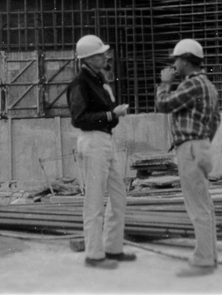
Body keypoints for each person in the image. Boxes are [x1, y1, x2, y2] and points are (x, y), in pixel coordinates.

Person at [67, 34, 136, 269]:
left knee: (119, 196)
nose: (105, 56)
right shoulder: (80, 83)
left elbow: (109, 118)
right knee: (95, 201)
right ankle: (94, 255)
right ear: (88, 58)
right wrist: (111, 115)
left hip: (105, 141)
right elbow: (79, 119)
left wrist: (112, 116)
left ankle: (112, 248)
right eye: (100, 54)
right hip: (93, 141)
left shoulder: (99, 80)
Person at [155, 38, 221, 277]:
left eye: (176, 60)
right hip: (201, 146)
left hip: (190, 148)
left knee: (197, 206)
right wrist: (202, 141)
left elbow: (163, 104)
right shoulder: (208, 86)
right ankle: (209, 255)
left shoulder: (191, 85)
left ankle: (203, 260)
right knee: (205, 204)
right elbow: (215, 120)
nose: (174, 65)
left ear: (185, 61)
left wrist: (164, 84)